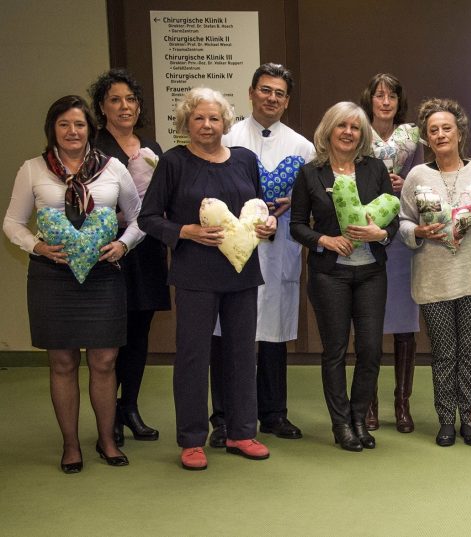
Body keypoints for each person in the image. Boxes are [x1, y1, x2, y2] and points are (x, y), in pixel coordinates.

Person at [138, 87, 277, 471]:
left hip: (242, 273)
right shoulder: (173, 162)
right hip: (195, 274)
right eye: (198, 118)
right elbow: (148, 218)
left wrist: (268, 223)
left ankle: (242, 432)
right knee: (193, 357)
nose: (206, 124)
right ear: (186, 122)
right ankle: (192, 439)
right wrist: (186, 231)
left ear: (225, 122)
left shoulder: (245, 160)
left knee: (241, 356)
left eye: (214, 118)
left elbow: (259, 207)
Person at [3, 95, 143, 472]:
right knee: (62, 362)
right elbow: (12, 223)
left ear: (90, 130)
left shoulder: (113, 168)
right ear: (52, 129)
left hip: (103, 276)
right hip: (52, 278)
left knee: (104, 360)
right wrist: (37, 247)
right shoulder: (32, 169)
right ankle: (70, 445)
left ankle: (107, 440)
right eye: (63, 124)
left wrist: (122, 244)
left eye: (79, 124)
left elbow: (139, 218)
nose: (72, 131)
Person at [207, 63, 314, 446]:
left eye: (279, 93)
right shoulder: (228, 136)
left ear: (287, 101)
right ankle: (223, 417)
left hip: (278, 248)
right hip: (231, 251)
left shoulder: (302, 147)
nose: (271, 98)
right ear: (250, 92)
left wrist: (293, 202)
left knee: (272, 334)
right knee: (226, 336)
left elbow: (313, 200)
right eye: (265, 90)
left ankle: (273, 413)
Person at [398, 98, 471, 447]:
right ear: (426, 138)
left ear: (459, 132)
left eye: (446, 127)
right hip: (433, 280)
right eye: (433, 130)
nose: (440, 134)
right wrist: (416, 232)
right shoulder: (417, 176)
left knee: (469, 352)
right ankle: (446, 420)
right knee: (444, 352)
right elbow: (404, 220)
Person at [289, 102, 395, 452]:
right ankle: (341, 424)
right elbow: (297, 226)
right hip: (329, 275)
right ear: (329, 130)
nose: (348, 132)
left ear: (362, 135)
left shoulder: (375, 169)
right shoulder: (310, 174)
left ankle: (359, 418)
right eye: (342, 126)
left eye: (355, 127)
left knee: (370, 350)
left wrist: (381, 235)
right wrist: (324, 240)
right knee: (334, 351)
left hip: (370, 274)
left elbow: (391, 219)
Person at [88, 68, 169, 446]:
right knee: (111, 334)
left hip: (147, 247)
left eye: (131, 100)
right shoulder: (93, 146)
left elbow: (166, 192)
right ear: (102, 107)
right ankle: (110, 417)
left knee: (139, 332)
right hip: (109, 248)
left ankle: (130, 407)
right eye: (116, 100)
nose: (125, 106)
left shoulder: (151, 145)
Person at [360, 73, 421, 433]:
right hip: (364, 229)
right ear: (370, 99)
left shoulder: (412, 135)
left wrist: (404, 181)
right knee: (367, 323)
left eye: (391, 96)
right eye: (379, 95)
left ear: (400, 102)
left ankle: (402, 404)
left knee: (403, 324)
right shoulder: (356, 129)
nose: (385, 102)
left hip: (399, 233)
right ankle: (370, 405)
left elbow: (422, 176)